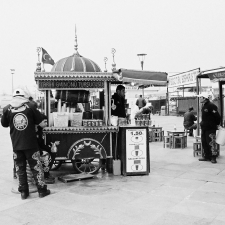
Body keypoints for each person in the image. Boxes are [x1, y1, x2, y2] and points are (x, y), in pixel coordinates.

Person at [1, 88, 51, 199]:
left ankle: (24, 192)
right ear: (24, 97)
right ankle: (42, 190)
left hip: (16, 145)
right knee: (36, 167)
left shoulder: (6, 109)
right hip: (31, 144)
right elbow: (41, 122)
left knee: (20, 169)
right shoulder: (30, 107)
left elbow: (4, 124)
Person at [197, 93, 221, 163]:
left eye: (201, 97)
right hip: (204, 127)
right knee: (204, 142)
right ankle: (207, 156)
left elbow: (217, 117)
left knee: (211, 142)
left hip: (210, 128)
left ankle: (213, 157)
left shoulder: (211, 106)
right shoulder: (203, 106)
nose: (200, 99)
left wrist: (216, 124)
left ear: (205, 98)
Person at [36, 114, 56, 184]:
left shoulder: (40, 130)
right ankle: (45, 176)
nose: (46, 124)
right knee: (46, 156)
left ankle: (47, 172)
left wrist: (50, 148)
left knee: (53, 152)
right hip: (35, 150)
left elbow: (41, 144)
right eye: (44, 122)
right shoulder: (35, 130)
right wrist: (41, 152)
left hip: (39, 148)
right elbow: (35, 144)